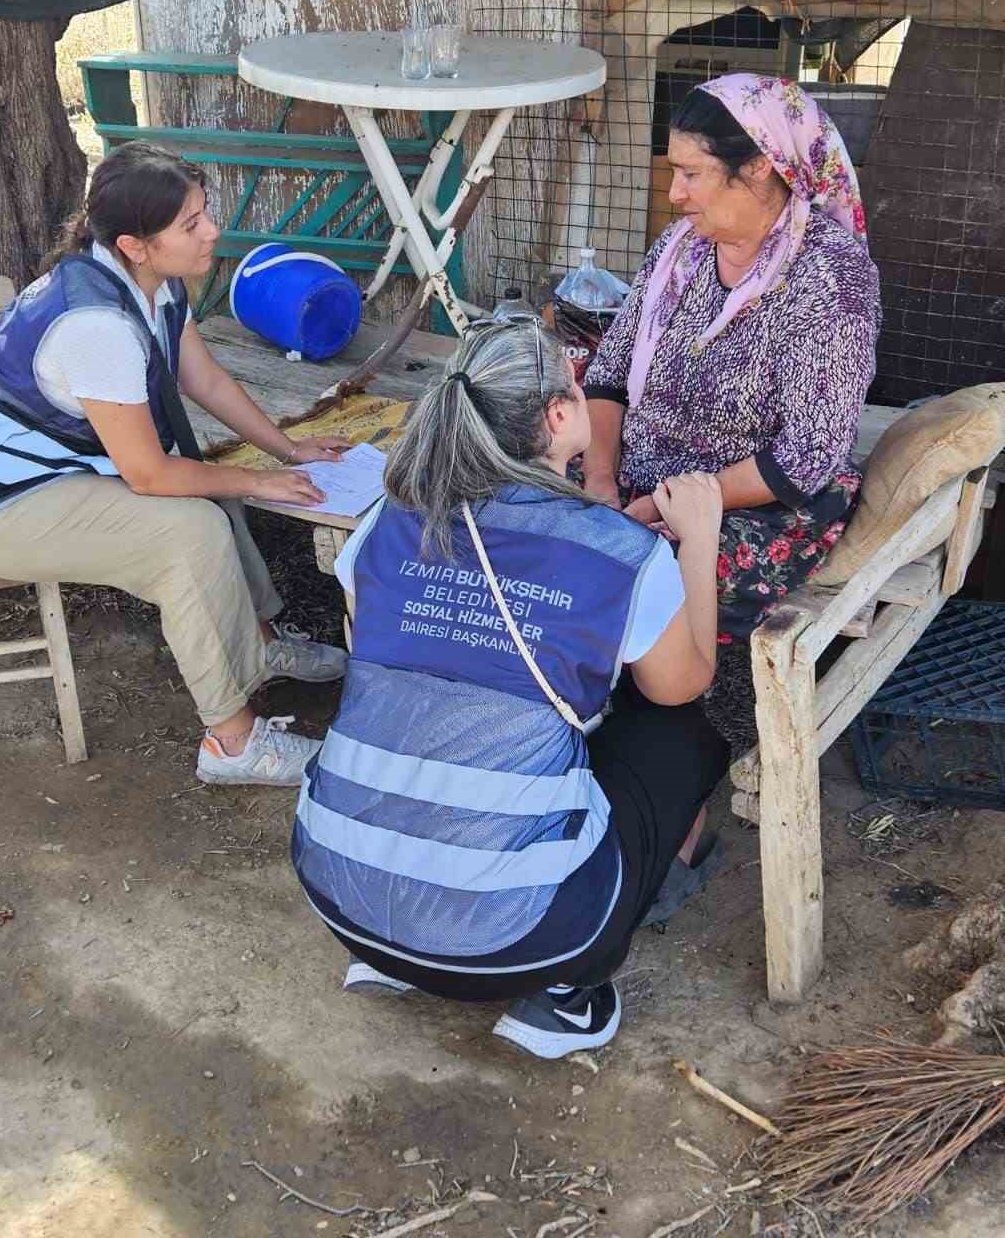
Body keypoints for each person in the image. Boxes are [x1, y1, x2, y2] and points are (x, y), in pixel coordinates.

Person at [291, 319, 729, 1060]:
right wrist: (701, 536)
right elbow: (685, 685)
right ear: (558, 416)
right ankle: (568, 994)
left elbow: (377, 651)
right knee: (681, 735)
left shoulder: (387, 522)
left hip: (340, 898)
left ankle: (394, 944)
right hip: (518, 943)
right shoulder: (620, 552)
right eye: (577, 386)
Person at [0, 142, 350, 788]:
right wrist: (257, 479)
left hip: (23, 470)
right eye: (191, 224)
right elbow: (149, 476)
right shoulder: (97, 327)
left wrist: (287, 449)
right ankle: (232, 743)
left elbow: (204, 378)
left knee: (207, 482)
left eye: (205, 213)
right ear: (135, 244)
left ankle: (257, 645)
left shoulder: (148, 281)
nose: (212, 231)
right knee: (187, 531)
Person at [583, 74, 882, 643]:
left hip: (750, 502)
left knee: (642, 573)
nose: (674, 194)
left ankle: (671, 685)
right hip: (638, 472)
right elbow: (609, 375)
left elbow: (806, 456)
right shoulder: (680, 250)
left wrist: (661, 508)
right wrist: (599, 480)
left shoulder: (828, 276)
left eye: (691, 174)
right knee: (526, 509)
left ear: (760, 166)